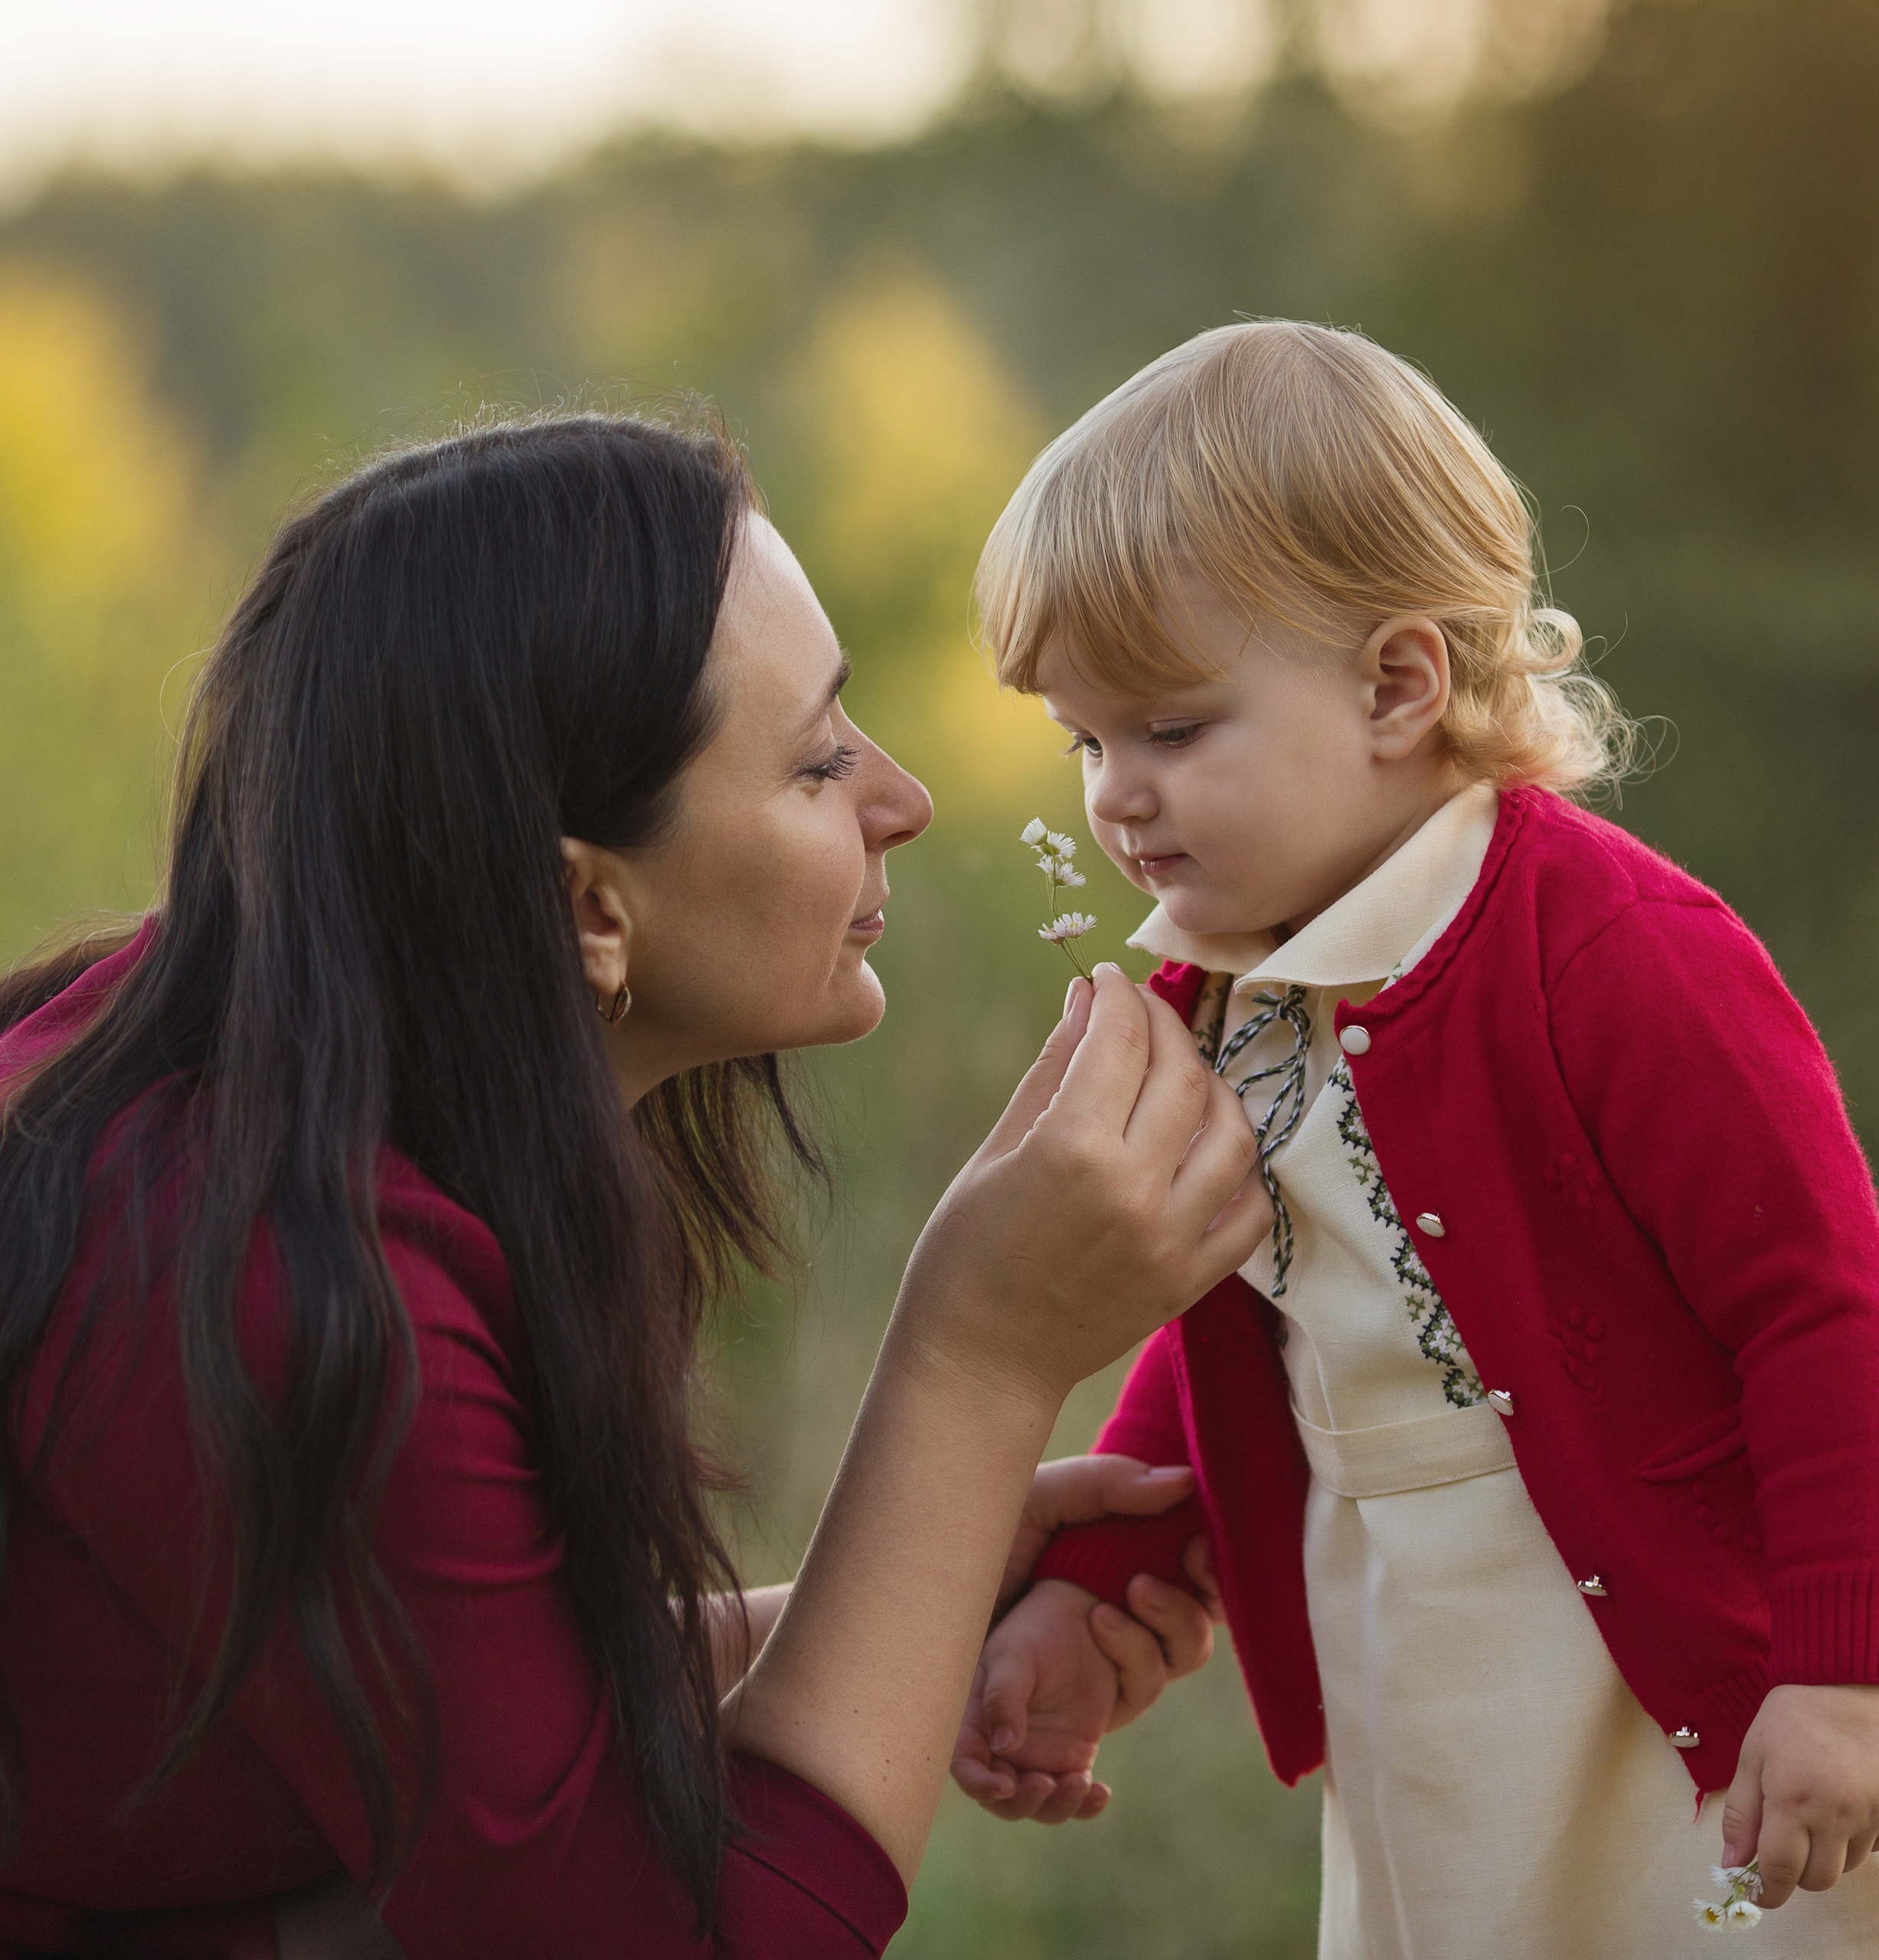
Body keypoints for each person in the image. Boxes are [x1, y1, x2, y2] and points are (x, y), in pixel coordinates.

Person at [0, 413, 1269, 1957]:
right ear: (584, 904)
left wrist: (904, 1590)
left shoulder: (235, 1069)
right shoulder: (261, 1264)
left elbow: (472, 1723)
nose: (902, 797)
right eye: (814, 763)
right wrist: (978, 1358)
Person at [949, 321, 1879, 1955]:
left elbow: (1820, 1312)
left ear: (1396, 684)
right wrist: (1103, 1575)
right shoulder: (1220, 997)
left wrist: (1845, 1673)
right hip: (1432, 1675)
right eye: (1085, 743)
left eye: (1170, 729)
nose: (1114, 798)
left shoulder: (1611, 951)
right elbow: (1251, 1324)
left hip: (1699, 1697)